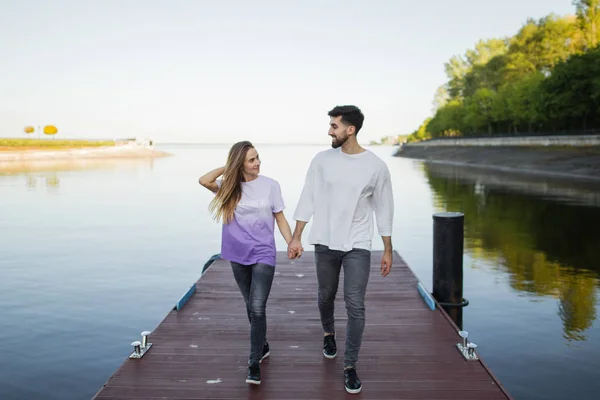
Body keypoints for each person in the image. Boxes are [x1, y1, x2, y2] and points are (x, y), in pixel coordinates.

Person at [287, 105, 394, 394]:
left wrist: (387, 248)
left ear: (351, 129)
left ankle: (350, 366)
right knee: (325, 295)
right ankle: (328, 333)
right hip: (324, 241)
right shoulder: (321, 160)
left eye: (334, 126)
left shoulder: (376, 166)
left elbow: (384, 208)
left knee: (355, 304)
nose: (329, 131)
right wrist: (297, 237)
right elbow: (307, 197)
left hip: (358, 243)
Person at [199, 140, 297, 385]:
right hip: (236, 254)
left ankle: (253, 363)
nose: (258, 163)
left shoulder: (271, 186)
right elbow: (204, 180)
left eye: (258, 157)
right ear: (240, 164)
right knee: (249, 304)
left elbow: (280, 217)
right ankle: (262, 344)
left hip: (264, 253)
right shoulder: (228, 187)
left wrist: (291, 241)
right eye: (251, 160)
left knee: (257, 307)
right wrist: (228, 167)